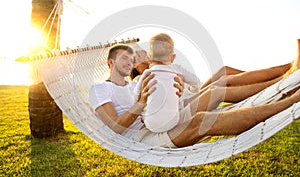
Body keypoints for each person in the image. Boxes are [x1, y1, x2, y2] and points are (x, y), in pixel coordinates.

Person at [88, 38, 300, 148]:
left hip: (165, 119)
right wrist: (141, 103)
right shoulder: (99, 89)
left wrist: (177, 90)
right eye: (125, 58)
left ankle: (284, 82)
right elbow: (115, 127)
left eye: (131, 58)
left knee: (216, 90)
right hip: (142, 137)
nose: (130, 62)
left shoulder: (134, 85)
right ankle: (288, 101)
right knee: (201, 121)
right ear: (111, 63)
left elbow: (161, 100)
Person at [133, 33, 201, 133]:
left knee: (146, 114)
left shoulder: (147, 74)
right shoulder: (177, 69)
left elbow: (135, 96)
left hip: (152, 124)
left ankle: (145, 117)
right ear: (173, 57)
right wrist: (191, 90)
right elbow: (197, 83)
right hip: (173, 122)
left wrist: (142, 112)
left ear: (148, 59)